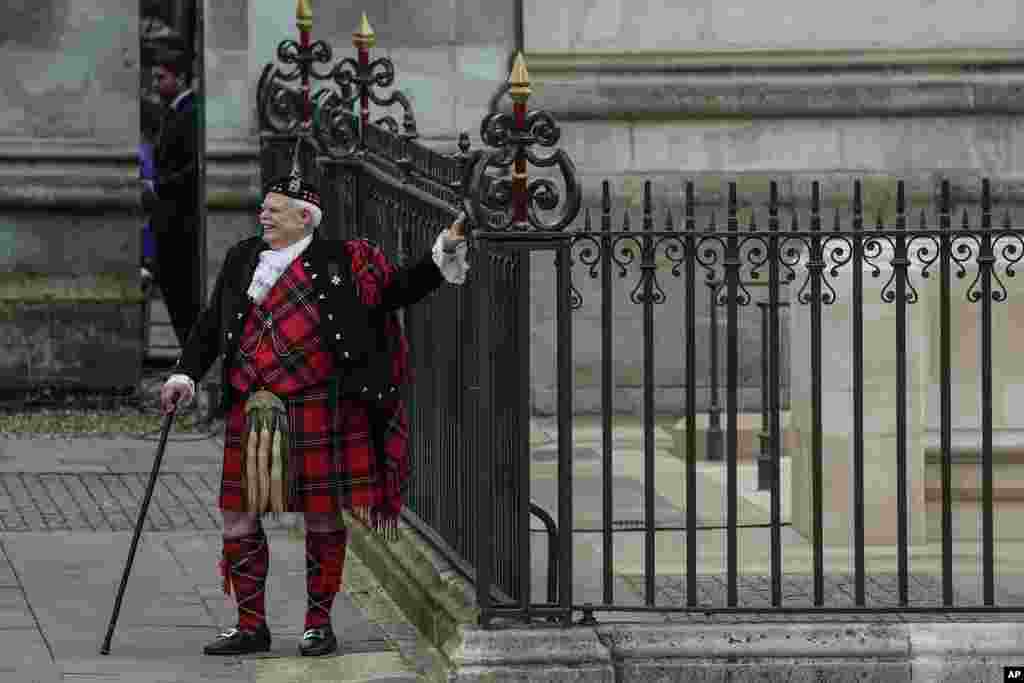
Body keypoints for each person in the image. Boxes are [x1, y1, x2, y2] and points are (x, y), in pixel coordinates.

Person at [160, 170, 470, 657]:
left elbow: (398, 290)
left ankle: (318, 625)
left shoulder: (345, 261)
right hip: (253, 411)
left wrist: (443, 250)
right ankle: (249, 626)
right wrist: (185, 374)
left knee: (322, 518)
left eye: (274, 209)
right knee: (237, 518)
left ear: (305, 217)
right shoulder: (244, 258)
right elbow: (210, 323)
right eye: (263, 208)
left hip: (319, 410)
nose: (263, 215)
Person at [147, 49, 201, 347]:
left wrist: (160, 186)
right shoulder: (174, 112)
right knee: (173, 290)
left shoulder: (191, 112)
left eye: (161, 77)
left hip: (182, 220)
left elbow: (195, 167)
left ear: (180, 78)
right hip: (170, 218)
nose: (155, 84)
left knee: (181, 292)